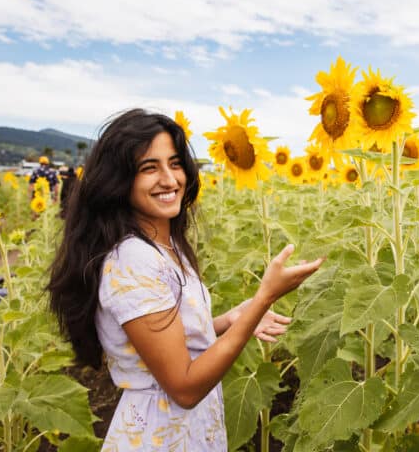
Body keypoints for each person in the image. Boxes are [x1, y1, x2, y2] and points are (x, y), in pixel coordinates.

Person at [46, 109, 323, 450]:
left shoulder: (163, 246)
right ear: (119, 181)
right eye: (149, 167)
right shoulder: (133, 261)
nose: (170, 179)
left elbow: (169, 339)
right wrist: (264, 298)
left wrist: (230, 319)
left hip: (183, 432)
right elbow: (185, 386)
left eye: (175, 163)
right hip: (161, 436)